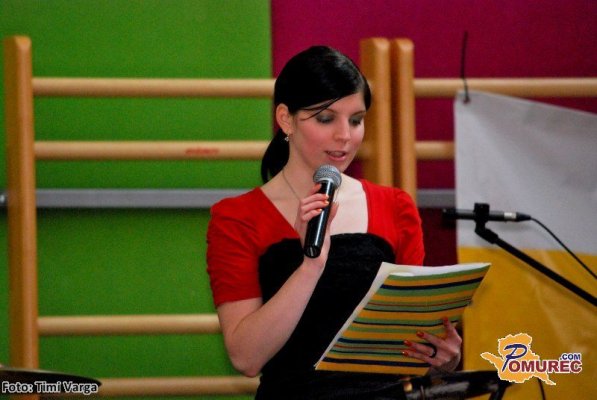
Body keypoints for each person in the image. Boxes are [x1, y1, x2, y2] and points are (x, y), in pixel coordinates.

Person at [206, 45, 462, 399]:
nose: (345, 135)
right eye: (326, 119)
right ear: (286, 119)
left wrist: (443, 358)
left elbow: (412, 339)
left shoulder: (394, 207)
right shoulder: (237, 218)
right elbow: (246, 357)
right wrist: (310, 267)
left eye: (356, 120)